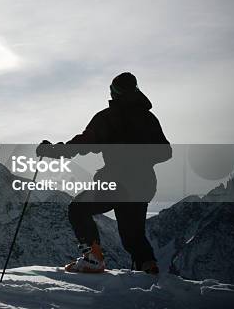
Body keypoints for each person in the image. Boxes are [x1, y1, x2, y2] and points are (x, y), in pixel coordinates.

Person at [37, 72, 171, 274]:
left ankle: (93, 258)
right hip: (142, 184)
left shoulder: (108, 118)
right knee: (133, 236)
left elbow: (81, 144)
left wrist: (53, 151)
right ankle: (149, 269)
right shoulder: (149, 118)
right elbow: (165, 152)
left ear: (114, 92)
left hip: (116, 182)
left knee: (79, 208)